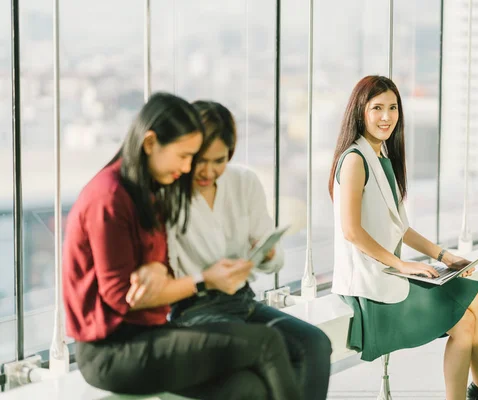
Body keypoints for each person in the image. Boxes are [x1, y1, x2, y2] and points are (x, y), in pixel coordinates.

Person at [62, 92, 300, 400]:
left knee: (247, 387)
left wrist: (154, 268)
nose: (188, 168)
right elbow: (123, 297)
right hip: (112, 352)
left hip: (150, 335)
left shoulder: (146, 193)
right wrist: (203, 280)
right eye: (184, 156)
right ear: (150, 144)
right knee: (266, 344)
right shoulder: (108, 197)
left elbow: (152, 266)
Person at [328, 76, 478, 400]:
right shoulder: (355, 160)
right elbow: (351, 231)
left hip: (389, 273)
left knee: (476, 297)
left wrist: (445, 257)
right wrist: (404, 265)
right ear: (360, 111)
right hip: (370, 285)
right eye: (377, 108)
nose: (386, 116)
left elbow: (401, 228)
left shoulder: (382, 159)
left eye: (392, 108)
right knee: (465, 323)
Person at [167, 100, 332, 400]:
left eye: (219, 160)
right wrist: (209, 276)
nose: (208, 170)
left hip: (243, 302)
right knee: (258, 365)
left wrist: (267, 254)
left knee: (315, 344)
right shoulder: (170, 196)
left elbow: (274, 256)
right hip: (195, 311)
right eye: (200, 160)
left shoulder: (244, 182)